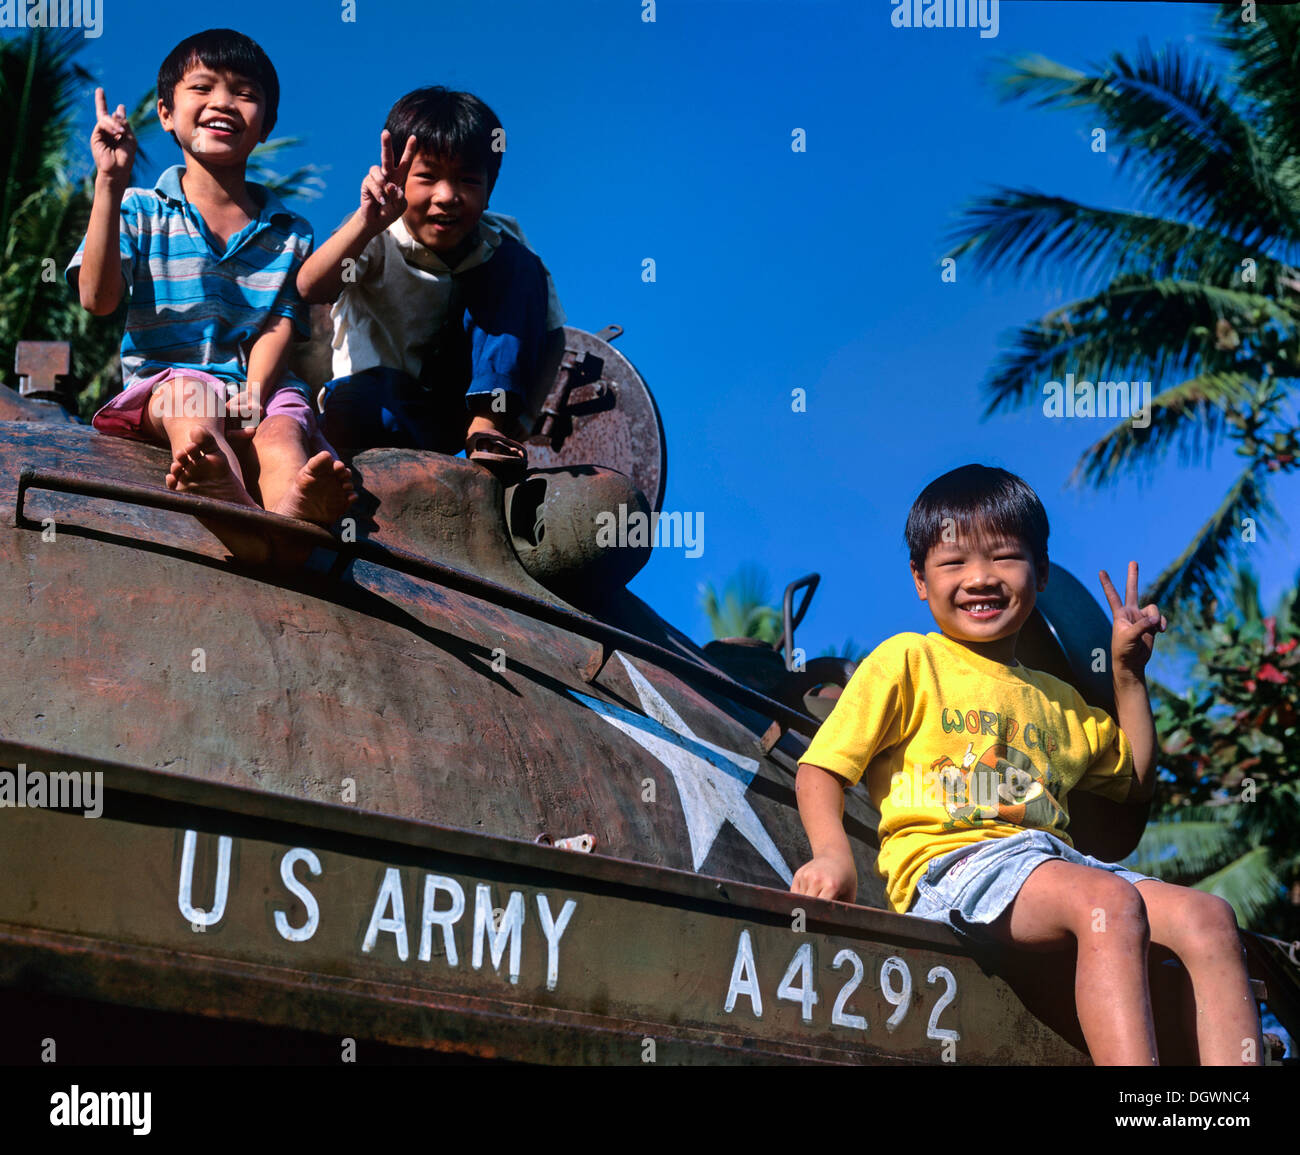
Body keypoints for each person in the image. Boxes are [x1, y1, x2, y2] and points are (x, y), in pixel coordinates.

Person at [790, 464, 1261, 1066]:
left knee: (1209, 916)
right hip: (953, 866)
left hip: (1052, 863)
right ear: (919, 580)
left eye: (1005, 557)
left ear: (1040, 572)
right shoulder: (909, 660)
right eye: (953, 562)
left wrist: (1127, 676)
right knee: (1108, 905)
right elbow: (821, 769)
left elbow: (1136, 782)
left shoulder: (1058, 700)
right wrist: (832, 856)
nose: (980, 578)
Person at [67, 28, 354, 564]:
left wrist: (255, 390)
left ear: (266, 125)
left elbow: (280, 321)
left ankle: (295, 514)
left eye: (244, 93)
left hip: (262, 386)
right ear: (166, 113)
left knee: (283, 437)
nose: (222, 101)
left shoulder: (290, 231)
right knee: (192, 411)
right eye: (202, 87)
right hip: (172, 380)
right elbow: (98, 300)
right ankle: (229, 507)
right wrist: (109, 182)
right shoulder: (139, 208)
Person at [296, 86, 565, 471]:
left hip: (460, 408)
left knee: (518, 264)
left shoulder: (501, 243)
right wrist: (365, 223)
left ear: (490, 191)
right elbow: (310, 288)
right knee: (356, 404)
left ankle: (488, 423)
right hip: (379, 402)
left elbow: (553, 334)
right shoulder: (376, 235)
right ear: (399, 179)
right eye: (427, 176)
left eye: (468, 180)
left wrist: (523, 419)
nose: (446, 195)